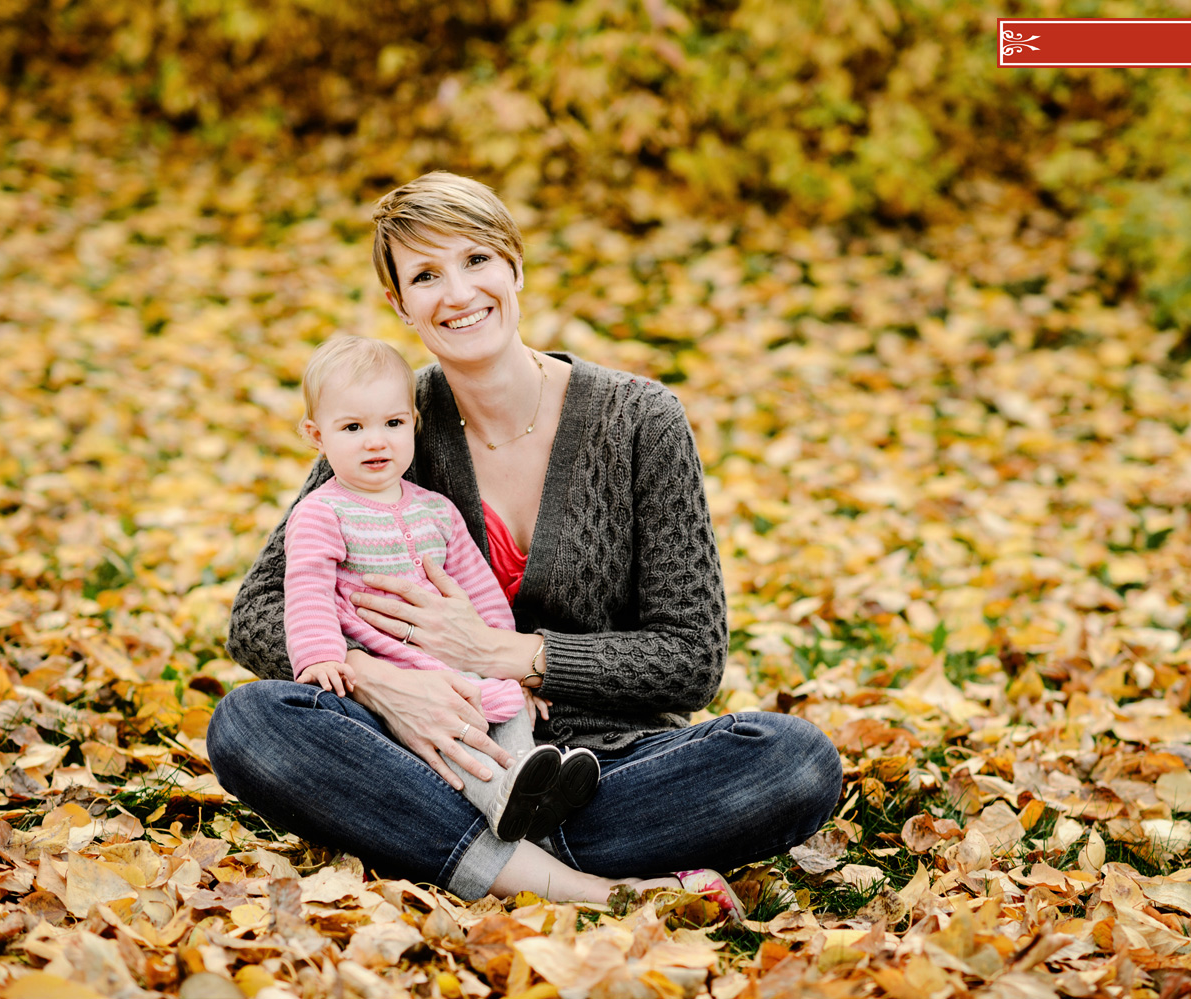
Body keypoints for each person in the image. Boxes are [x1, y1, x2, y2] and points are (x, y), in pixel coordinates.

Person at [207, 170, 843, 910]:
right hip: (432, 749)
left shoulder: (641, 420)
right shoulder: (384, 422)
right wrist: (380, 681)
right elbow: (257, 612)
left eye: (477, 260)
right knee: (252, 720)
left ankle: (463, 847)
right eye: (425, 274)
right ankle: (575, 883)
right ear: (399, 303)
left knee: (796, 762)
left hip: (611, 767)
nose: (458, 291)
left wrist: (511, 654)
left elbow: (693, 658)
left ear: (515, 266)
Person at [283, 333, 599, 842]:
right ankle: (498, 799)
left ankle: (534, 779)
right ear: (316, 436)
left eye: (392, 423)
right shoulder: (322, 512)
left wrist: (507, 665)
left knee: (506, 701)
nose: (376, 441)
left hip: (461, 661)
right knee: (449, 736)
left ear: (413, 423)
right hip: (395, 670)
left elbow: (479, 592)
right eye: (353, 427)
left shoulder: (436, 510)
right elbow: (306, 589)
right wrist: (320, 656)